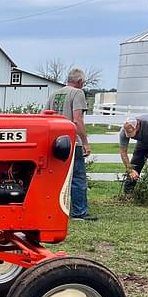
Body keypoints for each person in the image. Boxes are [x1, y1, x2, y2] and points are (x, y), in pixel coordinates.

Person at [45, 68, 97, 221]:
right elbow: (77, 119)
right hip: (72, 141)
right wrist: (85, 142)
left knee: (56, 177)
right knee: (78, 177)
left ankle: (54, 209)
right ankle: (80, 212)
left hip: (54, 142)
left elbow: (44, 116)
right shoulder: (78, 93)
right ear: (80, 81)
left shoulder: (55, 94)